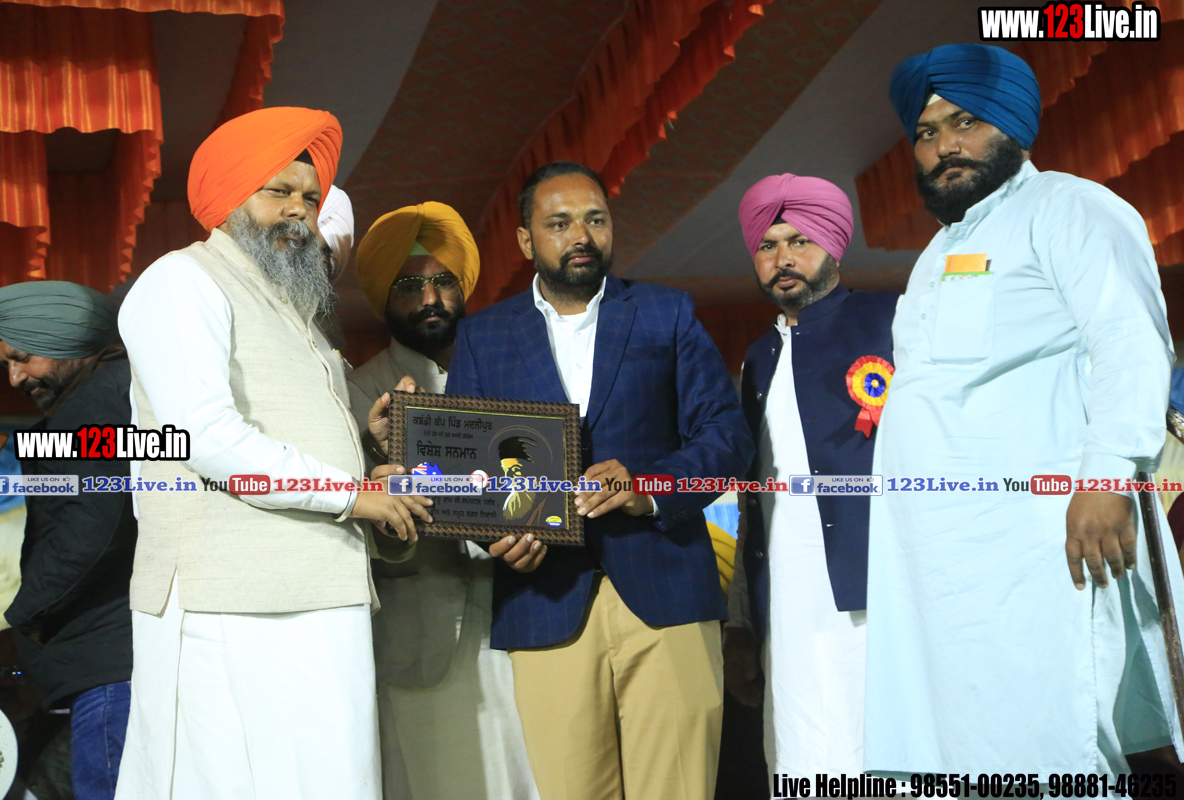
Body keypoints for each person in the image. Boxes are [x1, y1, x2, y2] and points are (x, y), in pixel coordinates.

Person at [865, 44, 1184, 777]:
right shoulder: (935, 254)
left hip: (1038, 544)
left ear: (1010, 125)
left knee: (1051, 739)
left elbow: (1130, 339)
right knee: (963, 750)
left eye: (966, 122)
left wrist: (1106, 476)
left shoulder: (1070, 207)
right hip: (941, 561)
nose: (944, 146)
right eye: (926, 132)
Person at [113, 106, 431, 800]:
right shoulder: (182, 281)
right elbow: (205, 438)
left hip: (318, 594)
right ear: (230, 197)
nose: (298, 211)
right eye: (278, 191)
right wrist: (352, 494)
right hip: (228, 602)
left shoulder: (295, 315)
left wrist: (367, 463)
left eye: (311, 199)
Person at [444, 161, 753, 800]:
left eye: (595, 219)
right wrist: (496, 535)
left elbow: (727, 438)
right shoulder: (482, 337)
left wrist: (652, 488)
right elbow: (464, 472)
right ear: (526, 240)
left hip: (668, 591)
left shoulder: (665, 312)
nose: (581, 236)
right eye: (559, 223)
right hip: (543, 601)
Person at [348, 202, 539, 800]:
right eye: (409, 285)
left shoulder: (510, 375)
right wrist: (386, 469)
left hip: (522, 621)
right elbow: (352, 525)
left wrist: (541, 528)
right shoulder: (357, 391)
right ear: (384, 299)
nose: (430, 298)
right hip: (424, 635)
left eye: (443, 282)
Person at [725, 174, 898, 782]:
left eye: (799, 240)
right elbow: (754, 501)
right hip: (787, 608)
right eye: (767, 246)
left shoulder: (890, 318)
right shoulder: (757, 359)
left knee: (893, 759)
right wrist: (741, 622)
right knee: (802, 762)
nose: (783, 259)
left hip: (880, 593)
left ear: (833, 243)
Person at [0, 281, 136, 800]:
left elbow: (94, 524)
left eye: (22, 358)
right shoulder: (97, 399)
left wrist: (27, 615)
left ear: (66, 341)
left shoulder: (95, 404)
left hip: (109, 663)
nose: (14, 377)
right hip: (105, 659)